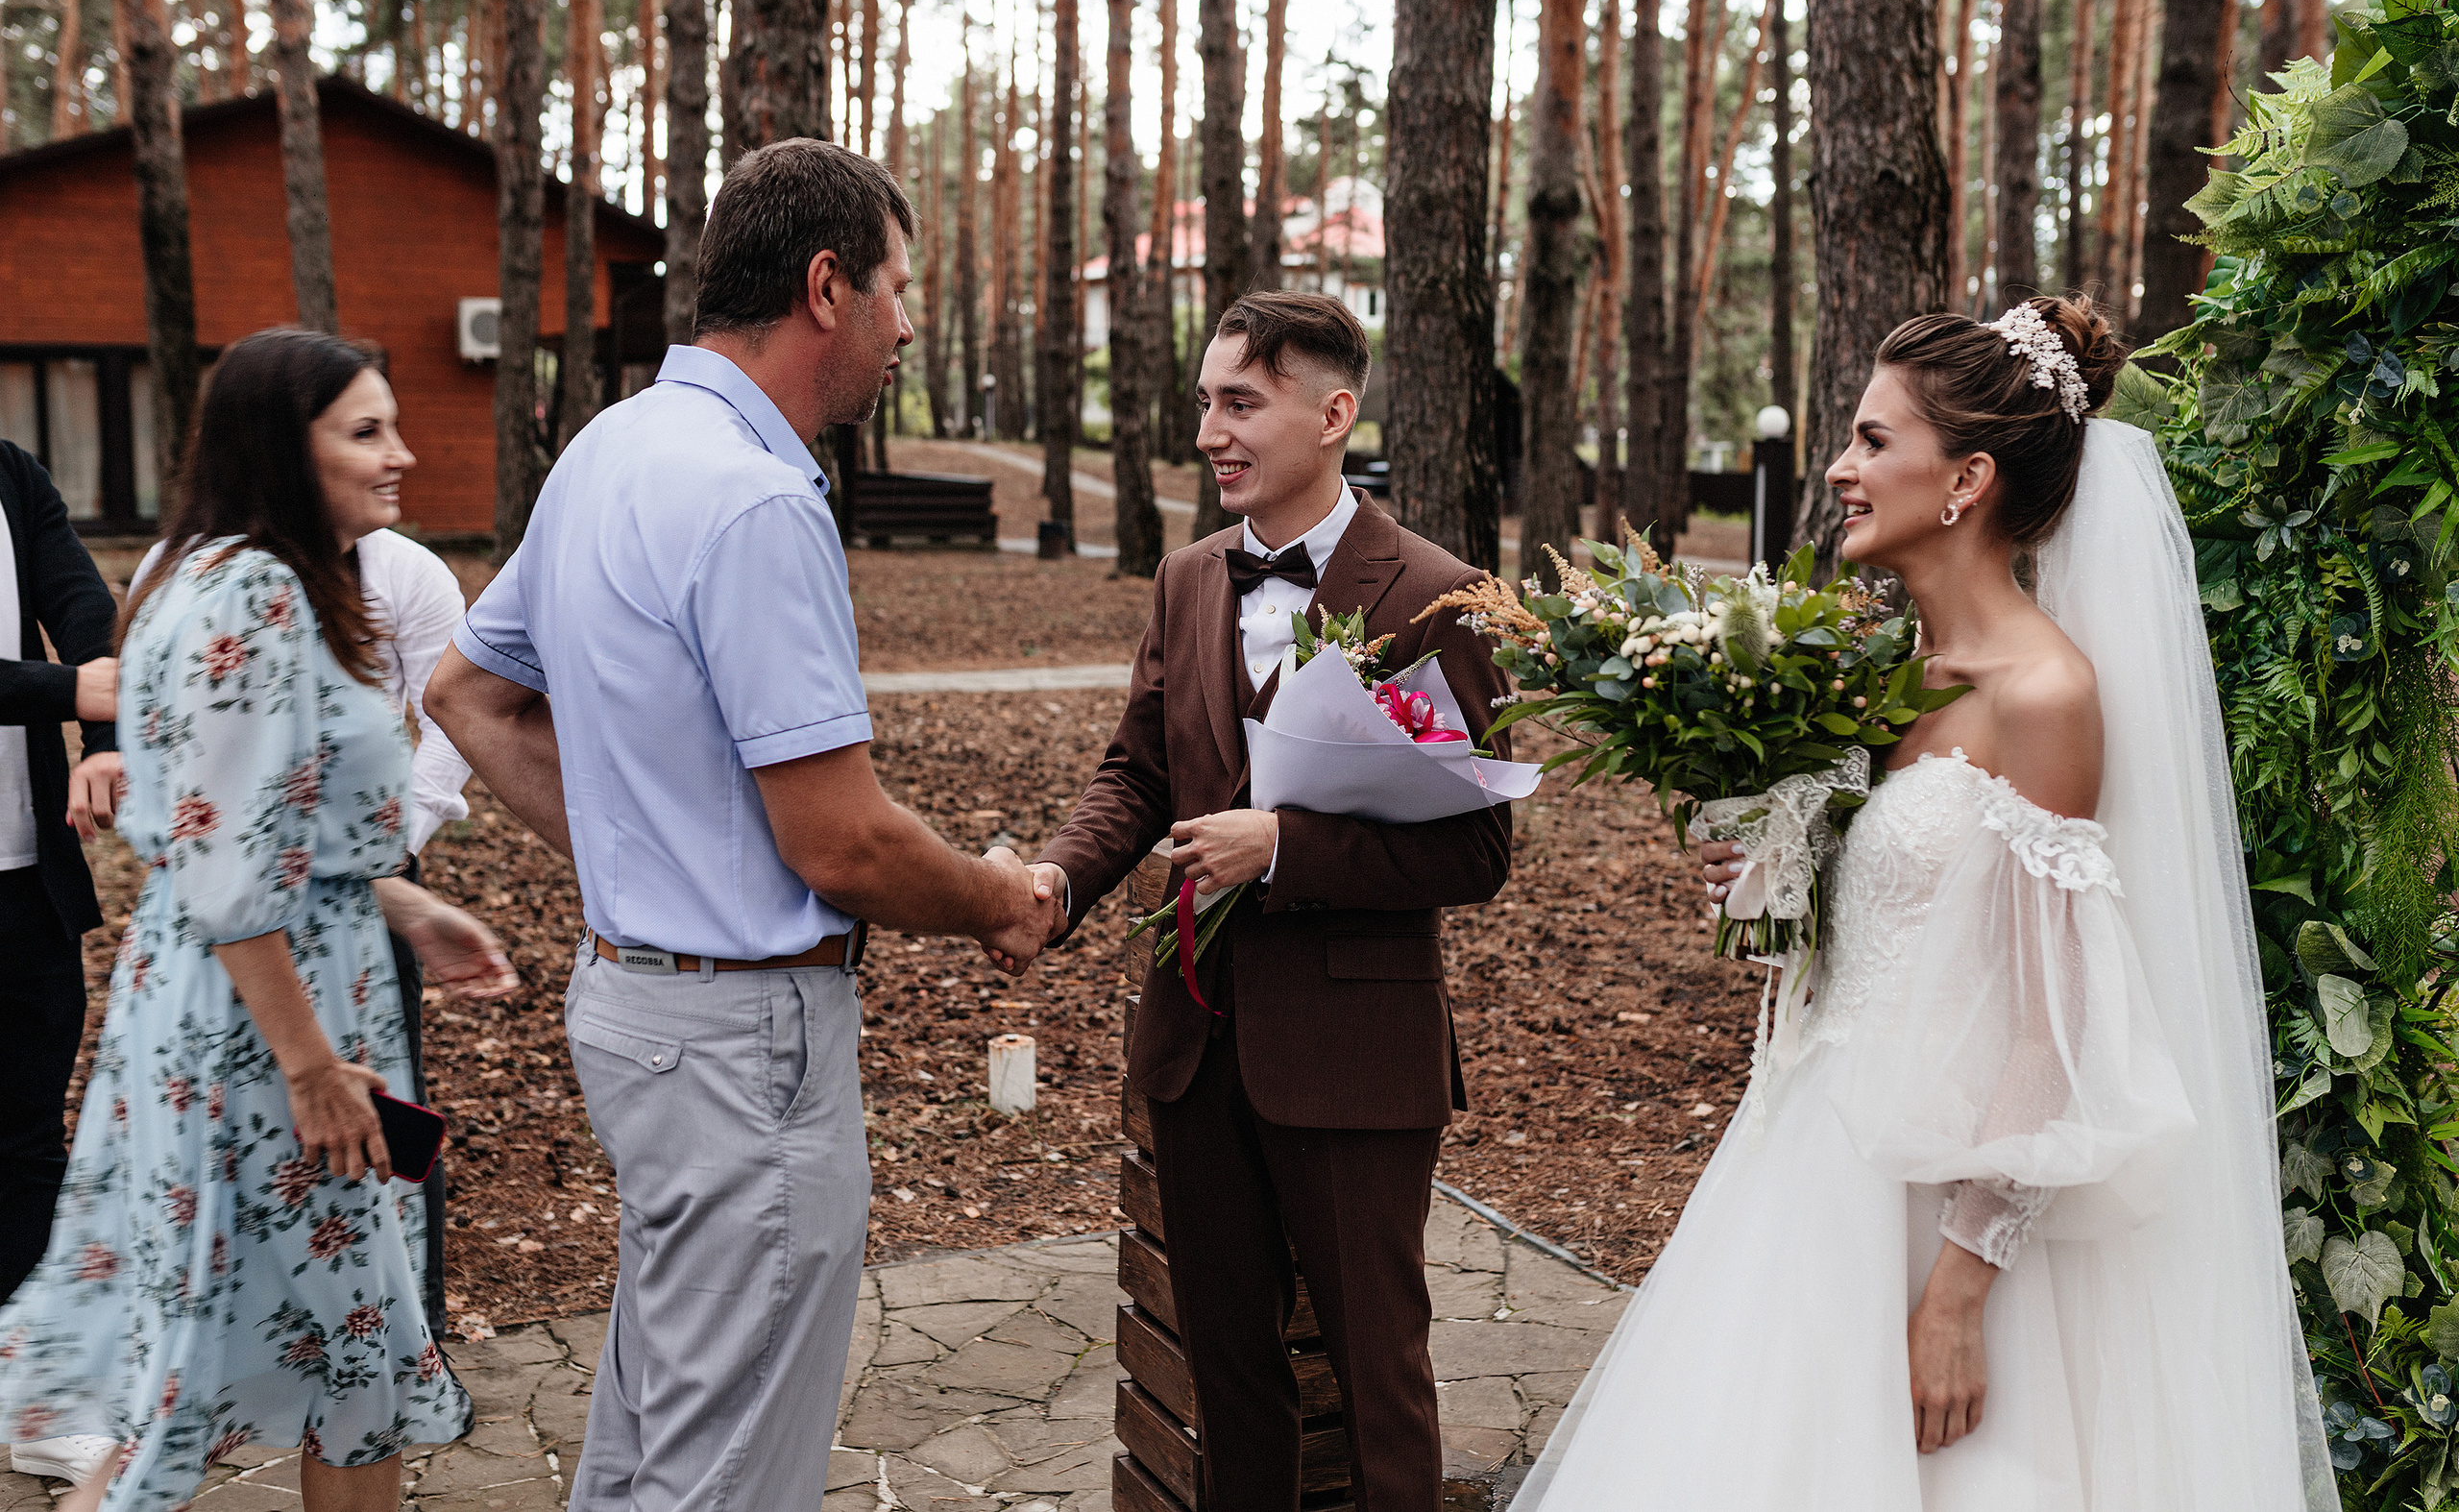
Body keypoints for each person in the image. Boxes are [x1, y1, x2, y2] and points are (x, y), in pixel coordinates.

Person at [1512, 296, 2335, 1508]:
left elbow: (2054, 1029)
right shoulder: (1883, 673)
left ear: (1967, 479)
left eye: (1872, 440)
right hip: (1809, 1161)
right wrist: (1777, 872)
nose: (1841, 470)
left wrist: (1957, 1291)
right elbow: (1892, 926)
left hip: (1941, 1206)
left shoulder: (2043, 694)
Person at [424, 137, 1058, 1512]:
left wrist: (645, 869)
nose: (909, 323)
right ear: (827, 288)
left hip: (636, 1013)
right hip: (743, 1049)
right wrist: (999, 899)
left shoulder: (613, 449)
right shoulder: (758, 496)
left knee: (655, 1425)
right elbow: (842, 841)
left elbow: (466, 695)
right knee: (727, 1470)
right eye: (898, 288)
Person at [0, 328, 520, 1512]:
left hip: (262, 999)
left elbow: (239, 818)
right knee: (228, 1376)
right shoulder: (252, 595)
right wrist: (313, 1068)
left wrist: (400, 900)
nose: (403, 456)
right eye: (365, 431)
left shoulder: (223, 571)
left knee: (350, 1359)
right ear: (284, 449)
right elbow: (230, 874)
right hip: (260, 1037)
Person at [1027, 291, 1514, 1509]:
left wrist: (1286, 846)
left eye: (1240, 402)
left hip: (1356, 1053)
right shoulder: (1187, 578)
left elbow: (1477, 850)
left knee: (1377, 1378)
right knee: (1229, 1375)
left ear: (1332, 414)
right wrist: (1059, 877)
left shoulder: (1434, 593)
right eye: (1205, 403)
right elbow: (1137, 767)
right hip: (1194, 1046)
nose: (1210, 431)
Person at [113, 508, 475, 1334]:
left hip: (366, 892)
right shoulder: (183, 575)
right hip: (216, 914)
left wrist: (389, 849)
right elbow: (159, 739)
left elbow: (451, 717)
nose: (399, 455)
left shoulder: (411, 572)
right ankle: (229, 1348)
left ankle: (403, 1333)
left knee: (385, 1110)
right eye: (363, 430)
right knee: (224, 1130)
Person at [0, 439, 126, 1493]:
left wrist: (110, 728)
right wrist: (71, 691)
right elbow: (73, 675)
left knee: (32, 1141)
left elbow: (82, 601)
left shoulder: (10, 471)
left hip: (24, 881)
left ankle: (38, 1407)